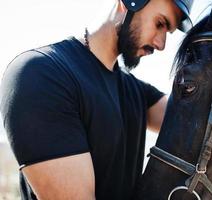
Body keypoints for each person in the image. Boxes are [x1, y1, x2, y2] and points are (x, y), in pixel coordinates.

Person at [0, 0, 193, 199]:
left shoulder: (137, 92)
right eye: (160, 24)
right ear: (128, 3)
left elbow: (195, 121)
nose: (161, 45)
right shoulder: (41, 74)